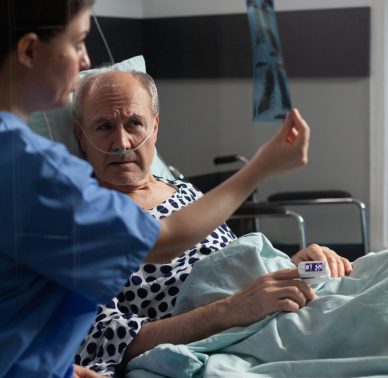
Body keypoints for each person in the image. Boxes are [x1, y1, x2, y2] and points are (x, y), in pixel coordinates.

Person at [0, 1, 312, 377]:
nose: (86, 58)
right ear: (30, 51)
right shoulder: (32, 170)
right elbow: (164, 241)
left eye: (134, 125)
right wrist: (261, 167)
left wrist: (58, 367)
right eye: (78, 42)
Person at [72, 70, 352, 377]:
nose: (121, 142)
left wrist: (299, 267)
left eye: (134, 124)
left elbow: (241, 266)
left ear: (154, 127)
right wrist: (231, 310)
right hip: (234, 340)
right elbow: (102, 338)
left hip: (282, 307)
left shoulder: (189, 194)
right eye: (104, 127)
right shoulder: (82, 221)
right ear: (81, 137)